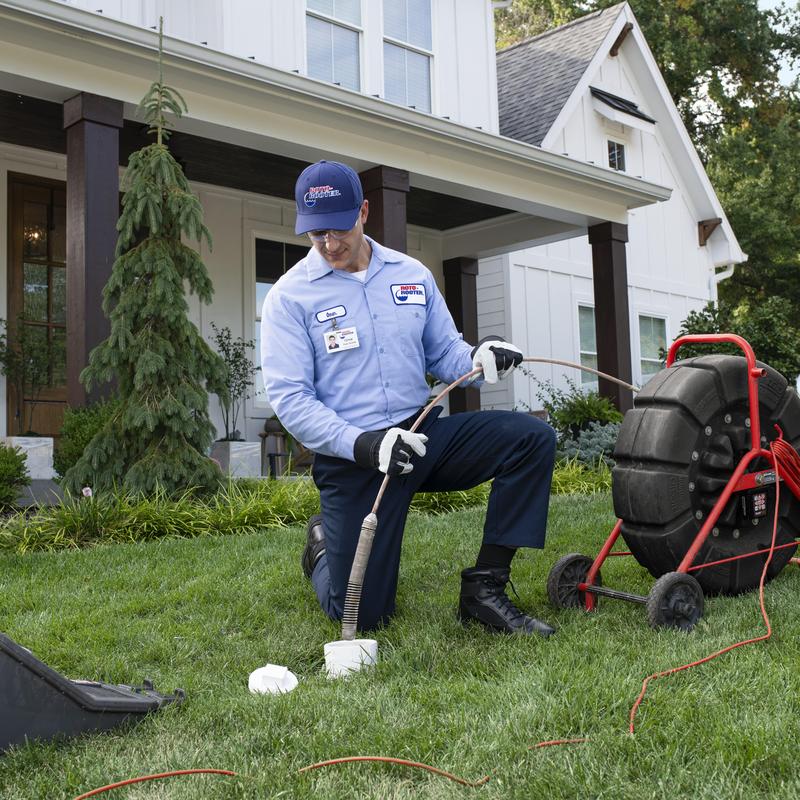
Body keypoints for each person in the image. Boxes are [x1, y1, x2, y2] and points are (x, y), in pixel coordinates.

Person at [261, 160, 557, 637]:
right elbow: (292, 400)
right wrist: (366, 445)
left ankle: (485, 588)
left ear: (364, 211)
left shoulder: (410, 274)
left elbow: (445, 353)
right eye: (316, 235)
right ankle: (320, 549)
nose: (330, 245)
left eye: (339, 230)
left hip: (422, 436)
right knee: (362, 613)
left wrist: (479, 357)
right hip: (355, 457)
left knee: (531, 439)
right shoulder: (290, 298)